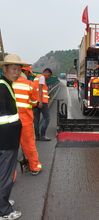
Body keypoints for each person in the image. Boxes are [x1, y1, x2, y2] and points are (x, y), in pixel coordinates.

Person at [0, 53, 31, 219]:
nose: (17, 72)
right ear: (4, 68)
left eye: (19, 69)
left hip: (8, 138)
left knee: (2, 173)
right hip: (6, 139)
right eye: (14, 68)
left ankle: (2, 202)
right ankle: (3, 211)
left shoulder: (6, 84)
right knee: (5, 175)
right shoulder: (2, 86)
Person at [13, 65, 42, 175]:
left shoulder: (7, 83)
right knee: (29, 145)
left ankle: (11, 176)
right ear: (24, 72)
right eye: (28, 73)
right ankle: (34, 167)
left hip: (9, 122)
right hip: (25, 120)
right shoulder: (29, 84)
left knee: (10, 150)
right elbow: (34, 102)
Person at [33, 68, 52, 141]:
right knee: (47, 118)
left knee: (36, 119)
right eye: (48, 75)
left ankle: (37, 136)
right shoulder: (41, 77)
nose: (48, 77)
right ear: (45, 72)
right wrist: (41, 101)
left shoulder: (36, 78)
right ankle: (42, 135)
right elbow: (40, 89)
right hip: (42, 101)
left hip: (35, 101)